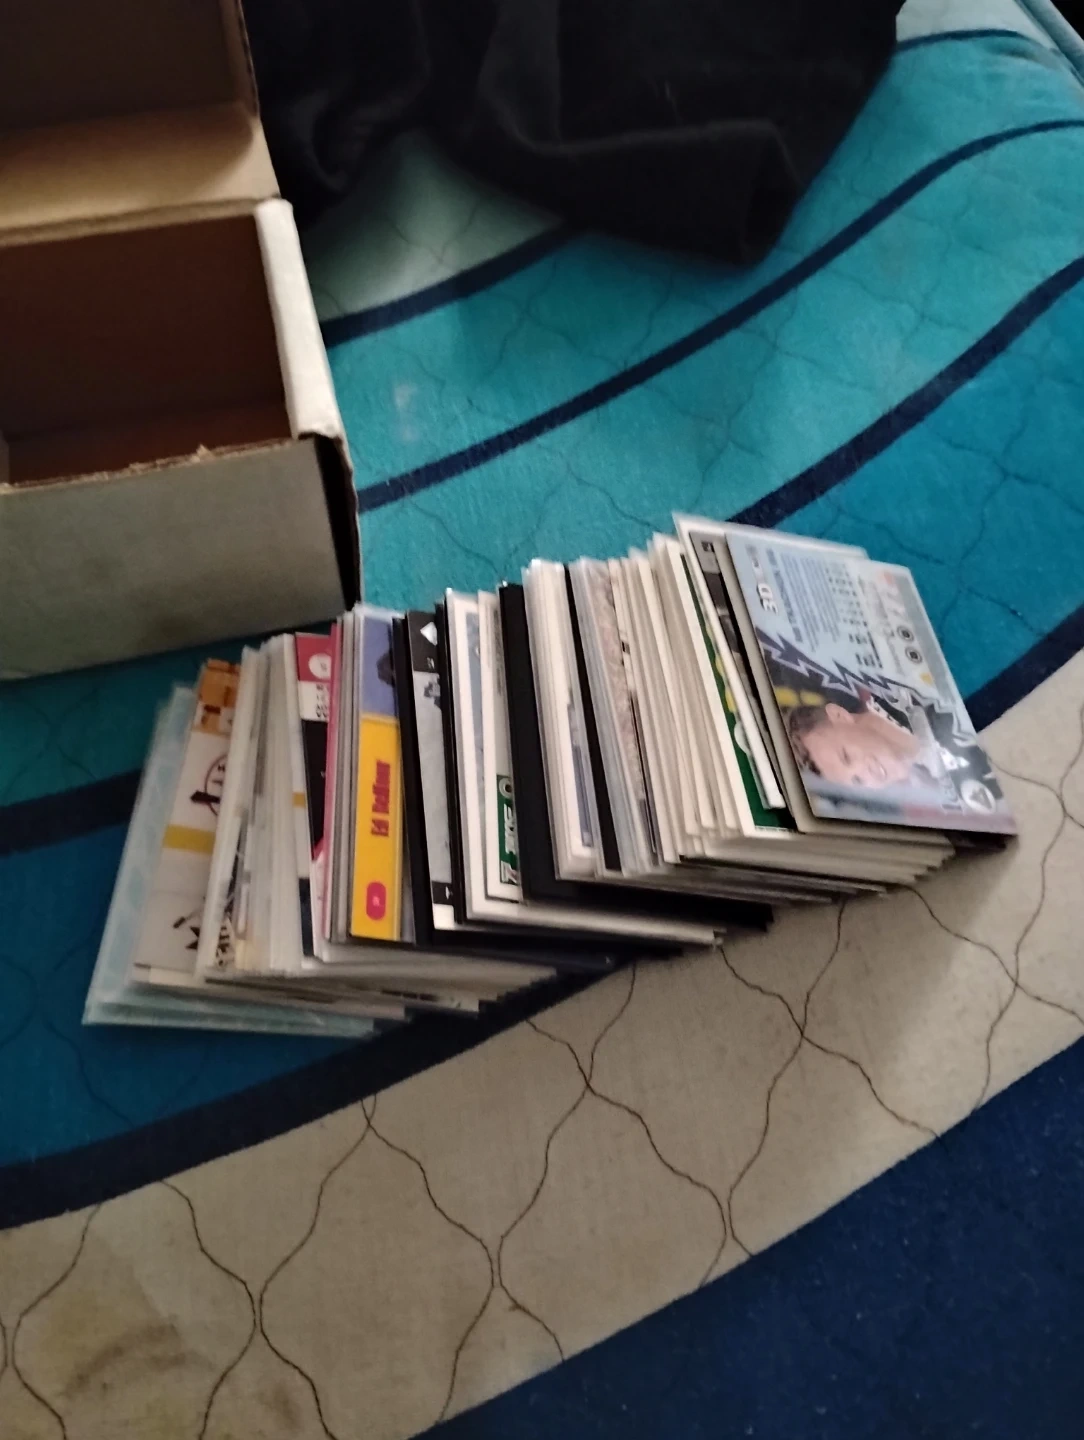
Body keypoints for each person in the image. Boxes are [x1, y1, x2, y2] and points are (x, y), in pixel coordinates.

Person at [786, 698, 921, 790]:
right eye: (857, 780)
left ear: (839, 715)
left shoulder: (912, 695)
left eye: (846, 756)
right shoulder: (924, 783)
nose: (866, 775)